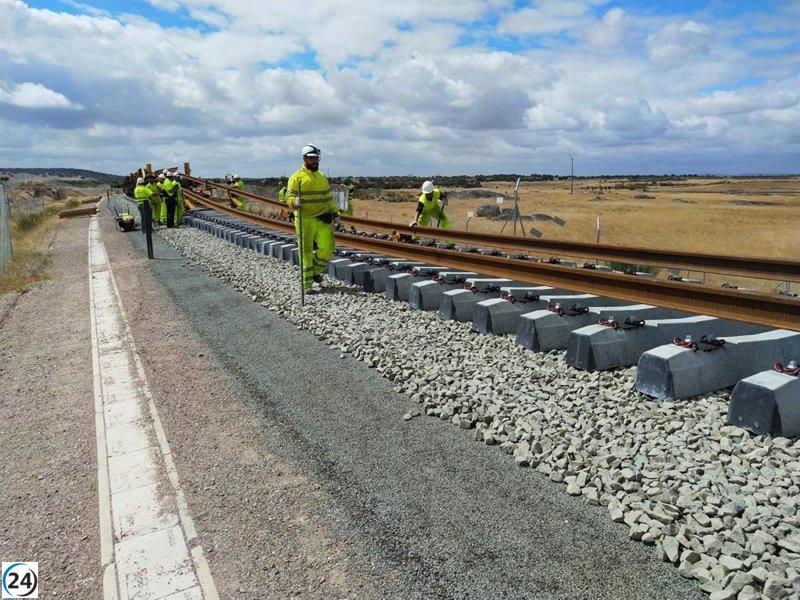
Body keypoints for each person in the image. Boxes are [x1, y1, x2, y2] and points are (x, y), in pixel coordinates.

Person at [286, 144, 338, 293]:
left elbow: (328, 198)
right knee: (306, 251)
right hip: (304, 219)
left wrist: (335, 213)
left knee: (327, 247)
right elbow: (289, 197)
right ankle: (307, 284)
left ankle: (315, 271)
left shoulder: (322, 177)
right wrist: (294, 202)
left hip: (322, 217)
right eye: (312, 158)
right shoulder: (296, 178)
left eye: (316, 158)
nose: (315, 161)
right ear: (304, 159)